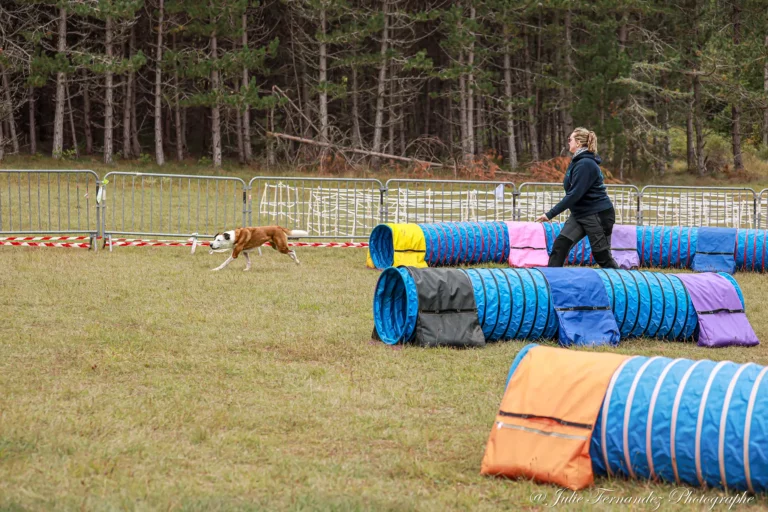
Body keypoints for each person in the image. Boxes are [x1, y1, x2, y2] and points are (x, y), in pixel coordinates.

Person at [535, 127, 619, 269]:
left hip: (597, 215)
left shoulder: (586, 164)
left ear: (579, 143)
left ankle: (622, 287)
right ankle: (552, 284)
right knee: (560, 246)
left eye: (570, 140)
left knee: (602, 256)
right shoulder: (577, 161)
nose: (568, 143)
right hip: (580, 214)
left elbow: (574, 195)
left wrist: (550, 214)